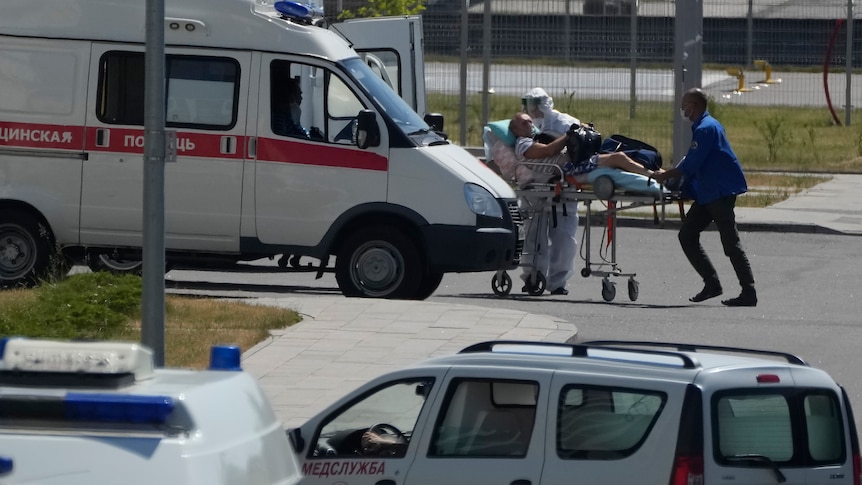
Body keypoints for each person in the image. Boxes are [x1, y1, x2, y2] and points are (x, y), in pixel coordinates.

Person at [509, 109, 660, 296]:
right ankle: (654, 176)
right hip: (569, 169)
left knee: (617, 156)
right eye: (524, 123)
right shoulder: (522, 144)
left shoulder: (540, 137)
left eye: (530, 122)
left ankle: (654, 174)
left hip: (570, 167)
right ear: (515, 130)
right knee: (617, 158)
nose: (530, 125)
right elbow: (549, 151)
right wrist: (569, 135)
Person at [652, 88, 757, 307]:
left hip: (719, 192)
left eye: (684, 105)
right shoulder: (704, 126)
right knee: (687, 235)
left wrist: (665, 176)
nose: (682, 110)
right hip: (708, 193)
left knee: (731, 243)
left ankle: (749, 292)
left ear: (695, 105)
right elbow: (693, 162)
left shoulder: (706, 128)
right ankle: (712, 284)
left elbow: (691, 164)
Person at [517, 88, 582, 296]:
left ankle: (558, 282)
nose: (532, 111)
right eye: (528, 106)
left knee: (563, 235)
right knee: (533, 234)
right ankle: (533, 277)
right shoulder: (524, 131)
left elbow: (573, 152)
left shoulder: (566, 124)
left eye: (535, 106)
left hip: (561, 186)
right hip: (534, 187)